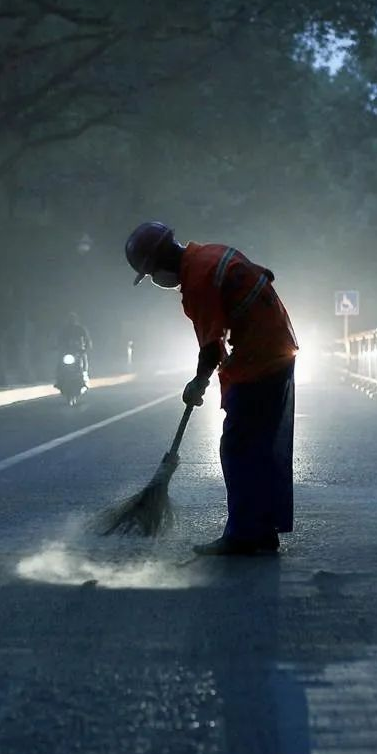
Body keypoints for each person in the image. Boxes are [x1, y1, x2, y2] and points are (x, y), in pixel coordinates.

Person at [125, 221, 298, 556]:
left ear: (159, 263)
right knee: (257, 445)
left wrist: (198, 382)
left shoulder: (198, 279)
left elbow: (212, 348)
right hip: (272, 348)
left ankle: (245, 534)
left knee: (238, 444)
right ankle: (260, 530)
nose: (157, 282)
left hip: (261, 355)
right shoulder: (207, 255)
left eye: (150, 274)